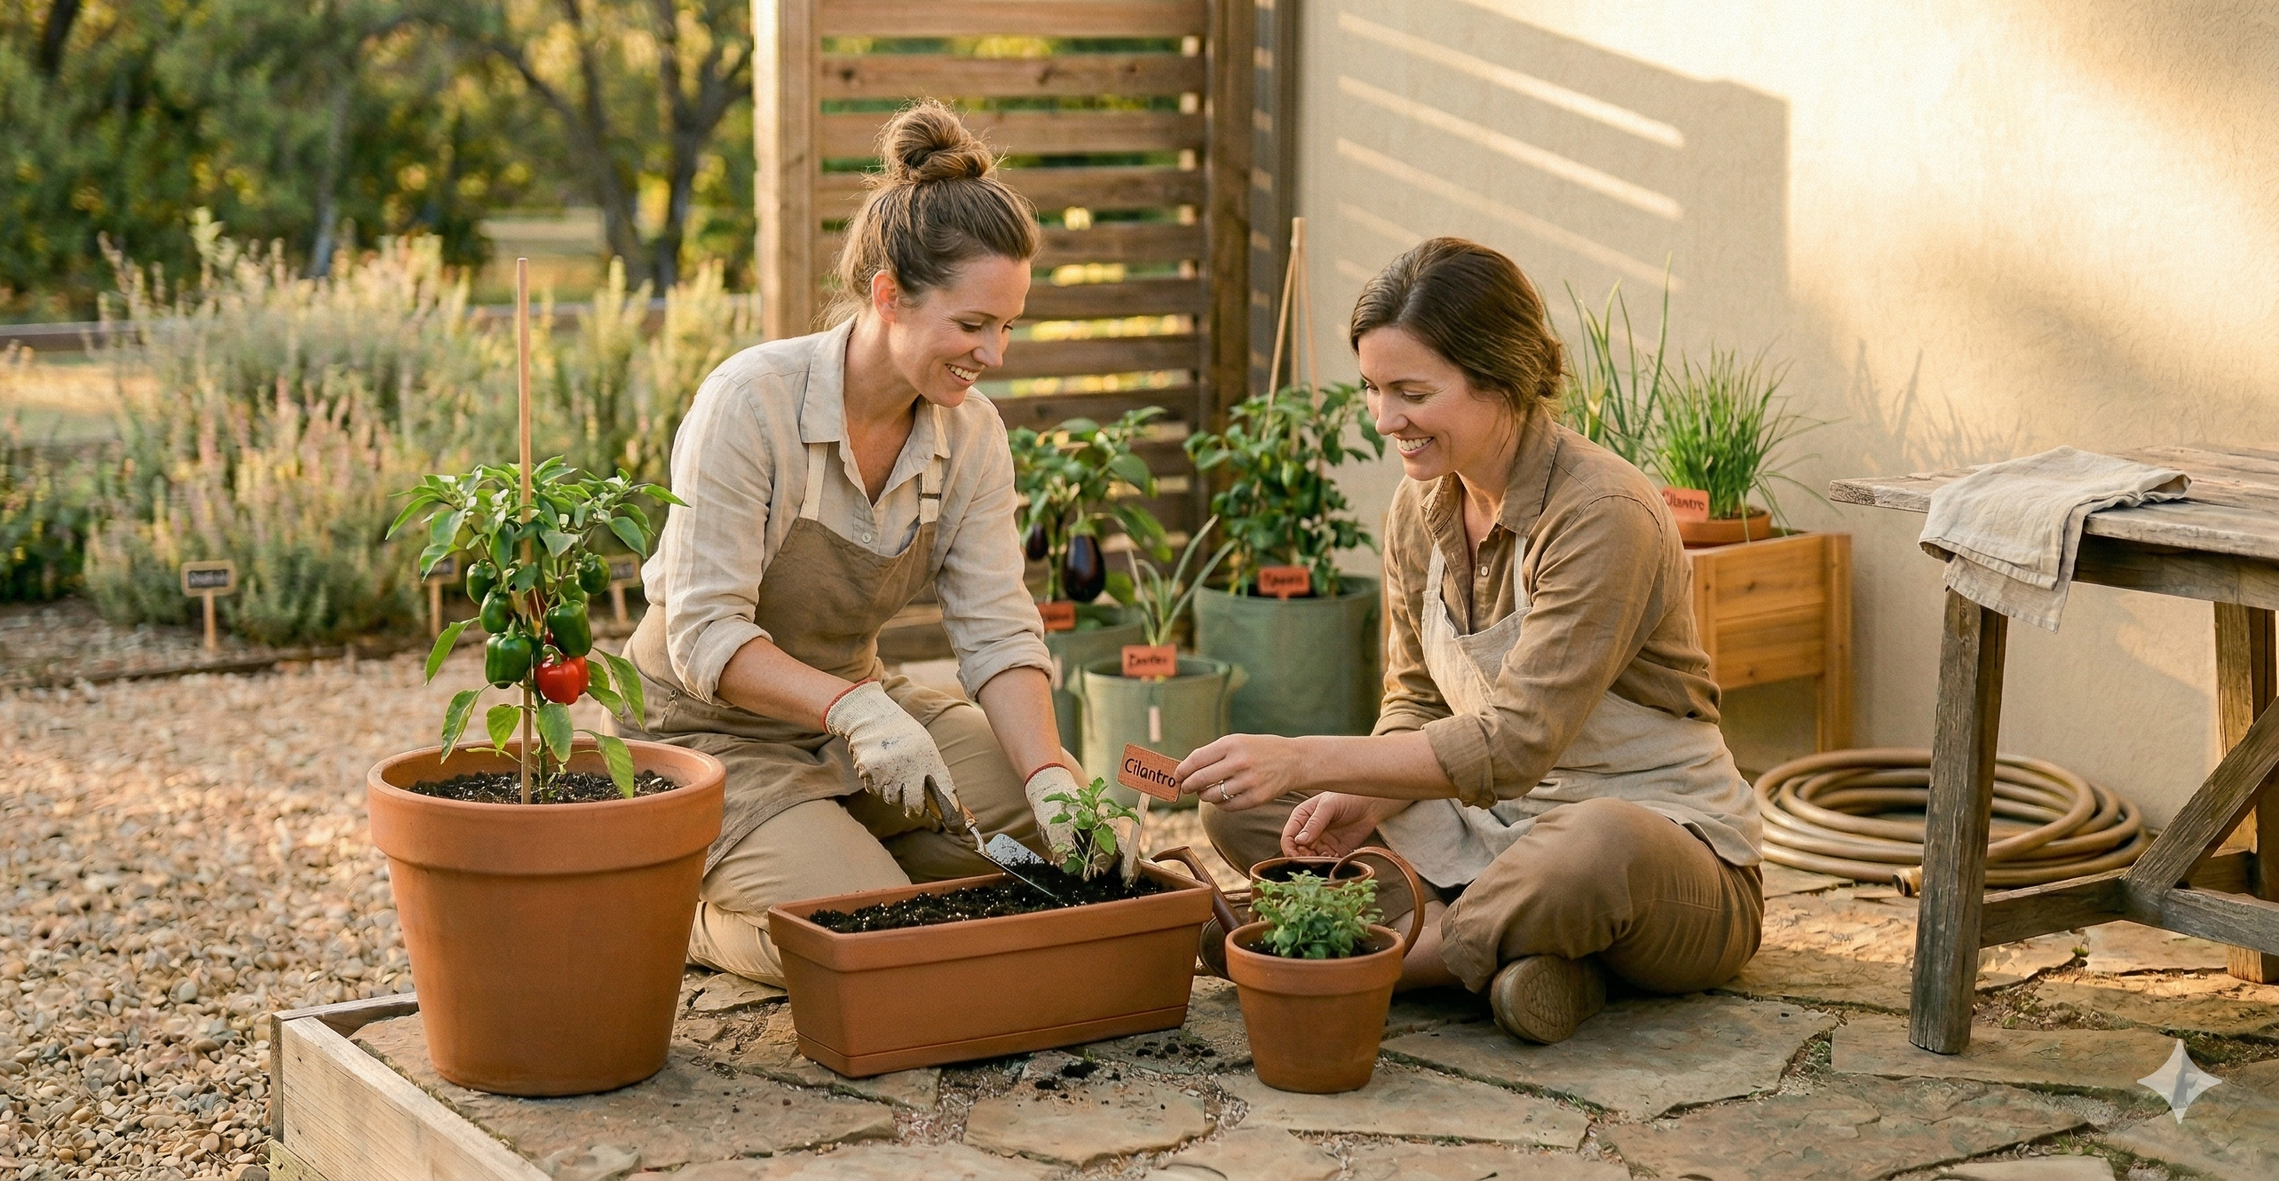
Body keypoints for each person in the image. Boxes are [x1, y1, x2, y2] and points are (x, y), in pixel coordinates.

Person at [1174, 237, 1765, 1044]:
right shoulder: (1419, 508)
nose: (1386, 421)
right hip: (1484, 837)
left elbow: (1517, 745)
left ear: (1503, 377)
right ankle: (1527, 963)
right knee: (1253, 811)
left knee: (1594, 846)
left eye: (1412, 391)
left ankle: (1373, 958)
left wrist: (1308, 754)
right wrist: (1363, 793)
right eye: (1374, 391)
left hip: (1663, 853)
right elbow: (1415, 697)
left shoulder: (1602, 514)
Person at [631, 100, 1124, 987]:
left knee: (1061, 852)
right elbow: (700, 636)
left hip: (869, 714)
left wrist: (1052, 773)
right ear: (889, 294)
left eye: (1008, 325)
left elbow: (998, 632)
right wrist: (851, 712)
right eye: (973, 325)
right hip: (711, 731)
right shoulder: (753, 402)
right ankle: (698, 917)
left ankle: (851, 855)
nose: (994, 353)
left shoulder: (970, 436)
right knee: (868, 947)